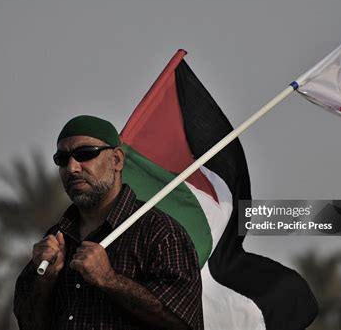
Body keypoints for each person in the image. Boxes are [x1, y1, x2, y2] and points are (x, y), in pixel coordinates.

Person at [13, 115, 204, 330]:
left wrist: (109, 279)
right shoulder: (56, 238)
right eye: (62, 159)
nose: (72, 168)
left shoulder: (160, 232)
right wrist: (44, 282)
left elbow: (183, 322)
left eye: (85, 154)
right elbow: (28, 323)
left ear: (116, 160)